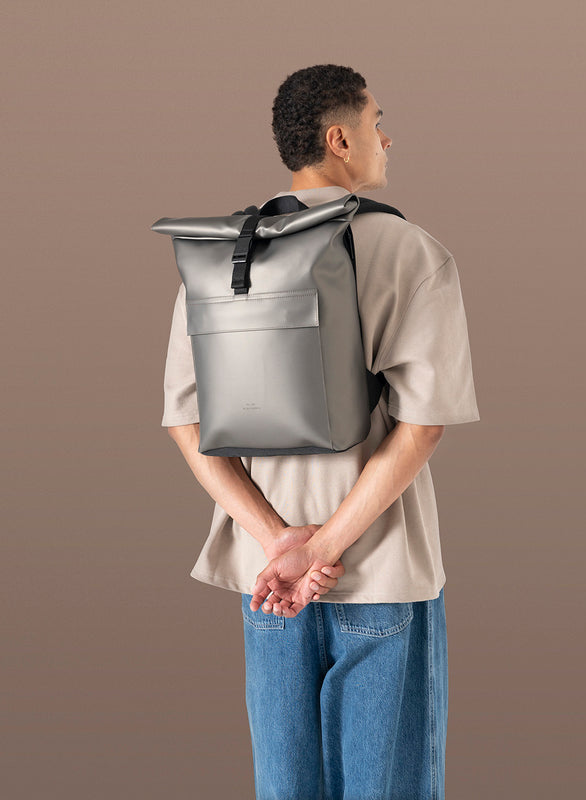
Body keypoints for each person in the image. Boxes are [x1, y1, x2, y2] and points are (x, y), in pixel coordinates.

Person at [160, 64, 480, 800]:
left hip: (269, 580)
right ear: (340, 139)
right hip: (380, 570)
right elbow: (421, 428)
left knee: (286, 787)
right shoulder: (410, 251)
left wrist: (280, 542)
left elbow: (185, 424)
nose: (386, 139)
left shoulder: (219, 255)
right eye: (376, 123)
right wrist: (324, 546)